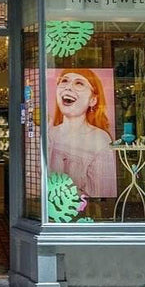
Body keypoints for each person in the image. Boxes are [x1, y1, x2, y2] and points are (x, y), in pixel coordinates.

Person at [48, 69, 117, 198]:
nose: (68, 87)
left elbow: (102, 196)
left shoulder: (100, 139)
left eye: (79, 83)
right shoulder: (48, 134)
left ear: (93, 100)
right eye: (64, 81)